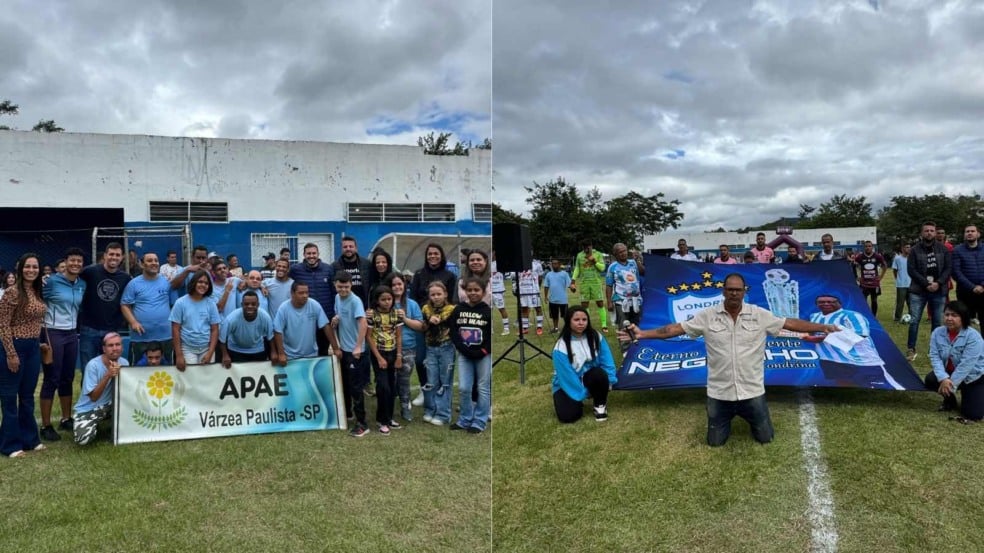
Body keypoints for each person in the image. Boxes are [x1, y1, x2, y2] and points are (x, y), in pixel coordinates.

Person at [622, 273, 839, 446]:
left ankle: (753, 419)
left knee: (766, 438)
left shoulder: (759, 314)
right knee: (715, 443)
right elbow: (673, 329)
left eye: (738, 290)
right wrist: (642, 334)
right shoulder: (707, 316)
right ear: (723, 291)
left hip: (752, 391)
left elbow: (789, 323)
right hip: (719, 392)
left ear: (744, 291)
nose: (734, 293)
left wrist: (822, 326)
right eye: (730, 289)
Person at [0, 253, 46, 457]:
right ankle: (10, 445)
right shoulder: (11, 292)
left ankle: (30, 439)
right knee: (10, 397)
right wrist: (10, 353)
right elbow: (2, 325)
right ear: (20, 269)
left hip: (33, 348)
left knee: (27, 396)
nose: (31, 270)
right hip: (15, 346)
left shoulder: (37, 291)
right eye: (28, 267)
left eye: (35, 267)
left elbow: (36, 321)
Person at [805, 293, 902, 389]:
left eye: (830, 302)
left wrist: (817, 338)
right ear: (816, 304)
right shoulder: (814, 316)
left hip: (860, 360)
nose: (826, 304)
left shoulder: (852, 315)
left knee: (883, 385)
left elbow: (859, 335)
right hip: (831, 359)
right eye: (821, 302)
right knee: (843, 382)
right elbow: (809, 332)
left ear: (839, 303)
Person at [39, 247, 85, 441]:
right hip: (53, 332)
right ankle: (46, 425)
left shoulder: (82, 283)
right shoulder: (51, 282)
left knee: (67, 377)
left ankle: (66, 418)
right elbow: (38, 301)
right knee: (52, 377)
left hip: (72, 333)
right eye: (72, 260)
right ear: (66, 262)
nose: (76, 264)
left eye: (79, 261)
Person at [409, 243, 458, 406]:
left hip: (443, 324)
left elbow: (452, 301)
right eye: (429, 254)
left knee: (441, 362)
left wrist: (440, 317)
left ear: (441, 255)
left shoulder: (449, 275)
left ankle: (442, 394)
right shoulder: (419, 274)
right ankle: (425, 390)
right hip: (423, 322)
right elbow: (414, 298)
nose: (432, 256)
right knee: (421, 359)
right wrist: (425, 317)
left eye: (436, 253)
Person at [552, 306, 617, 423]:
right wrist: (582, 394)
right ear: (568, 321)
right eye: (576, 320)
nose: (581, 323)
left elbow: (607, 360)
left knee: (599, 374)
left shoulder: (596, 336)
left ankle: (600, 405)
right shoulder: (560, 346)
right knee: (569, 417)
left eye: (584, 319)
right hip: (567, 382)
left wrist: (609, 381)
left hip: (591, 376)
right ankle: (580, 399)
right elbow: (566, 377)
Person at [924, 301, 984, 422]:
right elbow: (934, 356)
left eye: (954, 315)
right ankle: (950, 401)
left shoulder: (973, 337)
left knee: (973, 415)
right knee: (931, 379)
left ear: (963, 318)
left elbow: (966, 365)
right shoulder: (937, 333)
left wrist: (950, 384)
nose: (949, 318)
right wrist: (943, 378)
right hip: (949, 374)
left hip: (972, 377)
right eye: (947, 314)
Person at [330, 271, 371, 437]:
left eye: (346, 287)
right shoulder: (337, 298)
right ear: (335, 285)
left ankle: (363, 424)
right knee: (346, 384)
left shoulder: (355, 301)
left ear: (351, 285)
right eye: (340, 287)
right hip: (344, 349)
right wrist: (336, 318)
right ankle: (348, 414)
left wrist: (358, 346)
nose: (343, 290)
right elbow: (340, 314)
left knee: (356, 388)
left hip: (356, 351)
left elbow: (363, 323)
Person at [78, 242, 132, 367]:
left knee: (110, 368)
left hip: (111, 330)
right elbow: (71, 278)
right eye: (111, 254)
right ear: (105, 256)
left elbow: (128, 302)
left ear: (122, 257)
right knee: (88, 367)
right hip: (89, 328)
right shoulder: (90, 272)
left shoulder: (125, 278)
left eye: (117, 255)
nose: (114, 257)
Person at [450, 277, 492, 433]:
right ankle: (465, 418)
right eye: (469, 290)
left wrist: (483, 351)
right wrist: (462, 348)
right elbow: (454, 331)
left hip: (483, 355)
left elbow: (489, 336)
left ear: (483, 291)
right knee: (464, 388)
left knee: (483, 387)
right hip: (465, 354)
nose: (473, 293)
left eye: (476, 290)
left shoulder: (487, 311)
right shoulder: (459, 309)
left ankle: (480, 420)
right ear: (465, 292)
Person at [907, 221, 952, 361]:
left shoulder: (943, 249)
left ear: (935, 232)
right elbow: (911, 270)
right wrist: (926, 283)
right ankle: (911, 349)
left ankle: (933, 350)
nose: (929, 233)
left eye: (932, 230)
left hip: (938, 291)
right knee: (914, 321)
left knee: (937, 322)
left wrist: (938, 283)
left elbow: (948, 269)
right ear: (922, 233)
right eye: (926, 230)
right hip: (918, 290)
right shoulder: (914, 250)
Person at [72, 332, 128, 446]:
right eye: (110, 345)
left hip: (111, 405)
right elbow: (93, 397)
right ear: (104, 349)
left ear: (122, 347)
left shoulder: (124, 363)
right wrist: (108, 375)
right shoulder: (93, 365)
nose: (115, 348)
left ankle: (112, 427)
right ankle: (93, 426)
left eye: (117, 344)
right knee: (83, 440)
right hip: (89, 408)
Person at [121, 252, 174, 366]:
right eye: (150, 261)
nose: (154, 263)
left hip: (165, 336)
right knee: (137, 372)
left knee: (168, 372)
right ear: (141, 264)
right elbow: (125, 305)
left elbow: (174, 305)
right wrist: (133, 322)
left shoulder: (167, 282)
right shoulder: (133, 284)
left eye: (156, 260)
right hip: (141, 338)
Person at [385, 272, 424, 422]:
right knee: (389, 380)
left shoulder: (412, 304)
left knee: (404, 379)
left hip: (408, 347)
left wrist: (405, 319)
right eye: (393, 284)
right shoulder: (384, 301)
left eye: (399, 284)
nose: (396, 287)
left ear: (404, 285)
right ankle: (388, 409)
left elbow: (420, 326)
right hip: (388, 347)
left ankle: (405, 406)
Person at [366, 284, 402, 434]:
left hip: (393, 353)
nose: (387, 302)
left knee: (392, 387)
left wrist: (399, 356)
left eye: (389, 299)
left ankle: (389, 417)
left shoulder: (396, 314)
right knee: (383, 387)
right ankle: (382, 420)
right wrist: (379, 358)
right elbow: (369, 337)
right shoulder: (372, 315)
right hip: (379, 353)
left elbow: (399, 336)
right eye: (383, 299)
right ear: (377, 300)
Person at [288, 242, 336, 356]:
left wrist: (334, 313)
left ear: (318, 254)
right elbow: (283, 280)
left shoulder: (328, 269)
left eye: (314, 253)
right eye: (308, 253)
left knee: (323, 350)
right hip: (305, 317)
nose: (311, 256)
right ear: (304, 255)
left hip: (326, 316)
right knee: (305, 349)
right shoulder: (295, 270)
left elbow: (334, 292)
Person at [170, 269, 221, 371]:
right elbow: (175, 329)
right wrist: (179, 355)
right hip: (187, 349)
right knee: (190, 379)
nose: (203, 285)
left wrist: (210, 352)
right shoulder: (180, 303)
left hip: (206, 348)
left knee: (206, 379)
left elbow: (215, 329)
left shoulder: (211, 304)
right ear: (194, 283)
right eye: (200, 282)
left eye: (206, 283)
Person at [420, 281, 456, 426]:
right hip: (430, 348)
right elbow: (422, 327)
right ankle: (430, 409)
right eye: (433, 294)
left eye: (439, 294)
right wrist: (428, 321)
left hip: (446, 347)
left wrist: (440, 320)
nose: (436, 297)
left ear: (445, 294)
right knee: (431, 380)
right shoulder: (426, 309)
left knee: (445, 381)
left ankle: (443, 413)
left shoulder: (452, 309)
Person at [272, 281, 334, 363]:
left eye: (307, 292)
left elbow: (325, 325)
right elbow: (277, 331)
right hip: (290, 356)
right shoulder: (283, 308)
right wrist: (281, 353)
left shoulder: (314, 304)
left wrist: (335, 348)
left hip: (312, 355)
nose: (305, 295)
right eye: (301, 293)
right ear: (292, 293)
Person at [219, 291, 275, 367]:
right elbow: (222, 339)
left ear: (258, 305)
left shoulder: (265, 317)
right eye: (246, 304)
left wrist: (273, 352)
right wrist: (225, 355)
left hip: (258, 349)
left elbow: (270, 337)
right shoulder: (231, 318)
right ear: (242, 305)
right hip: (235, 349)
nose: (250, 306)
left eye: (253, 304)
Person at [606, 243, 645, 352]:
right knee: (624, 325)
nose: (623, 253)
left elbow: (643, 271)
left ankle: (638, 347)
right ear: (615, 254)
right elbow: (609, 285)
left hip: (636, 300)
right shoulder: (612, 267)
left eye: (625, 251)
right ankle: (625, 350)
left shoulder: (633, 263)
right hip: (621, 300)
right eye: (620, 252)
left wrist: (637, 260)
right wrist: (609, 301)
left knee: (637, 324)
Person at [572, 238, 609, 331]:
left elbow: (602, 268)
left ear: (591, 246)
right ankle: (587, 324)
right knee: (584, 305)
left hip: (596, 283)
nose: (586, 249)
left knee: (600, 303)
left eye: (587, 247)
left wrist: (594, 261)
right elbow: (577, 268)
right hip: (584, 283)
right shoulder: (579, 255)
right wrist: (573, 280)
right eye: (584, 247)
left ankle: (604, 324)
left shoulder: (598, 254)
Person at [952, 224, 984, 326]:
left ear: (978, 234)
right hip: (965, 292)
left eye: (972, 231)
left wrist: (982, 286)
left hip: (983, 292)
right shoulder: (957, 250)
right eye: (967, 231)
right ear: (964, 235)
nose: (970, 233)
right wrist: (972, 287)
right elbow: (956, 272)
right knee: (964, 322)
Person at [332, 236, 373, 306]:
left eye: (351, 246)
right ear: (342, 249)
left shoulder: (366, 264)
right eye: (345, 247)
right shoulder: (334, 266)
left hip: (364, 306)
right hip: (344, 305)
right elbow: (333, 288)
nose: (348, 249)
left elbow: (371, 285)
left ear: (356, 248)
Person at [854, 241, 887, 317]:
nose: (868, 248)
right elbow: (853, 265)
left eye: (869, 246)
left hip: (874, 283)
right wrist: (857, 276)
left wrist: (881, 276)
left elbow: (884, 265)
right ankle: (864, 315)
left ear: (872, 247)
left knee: (874, 300)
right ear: (864, 247)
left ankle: (873, 316)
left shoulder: (877, 256)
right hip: (864, 283)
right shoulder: (860, 257)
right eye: (866, 246)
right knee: (863, 301)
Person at [543, 257, 572, 333]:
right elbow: (546, 286)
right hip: (552, 299)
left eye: (555, 263)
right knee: (554, 315)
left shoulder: (564, 274)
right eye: (552, 264)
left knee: (565, 315)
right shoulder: (548, 274)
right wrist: (545, 297)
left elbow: (570, 285)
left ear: (559, 264)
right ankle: (555, 328)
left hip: (563, 299)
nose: (553, 265)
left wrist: (573, 288)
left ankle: (567, 328)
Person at [516, 264, 545, 336]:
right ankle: (525, 328)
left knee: (538, 308)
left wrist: (537, 286)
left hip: (534, 291)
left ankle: (539, 327)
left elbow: (540, 277)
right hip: (523, 291)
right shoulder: (519, 263)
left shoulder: (537, 264)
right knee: (524, 309)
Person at [490, 251, 511, 335]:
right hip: (489, 291)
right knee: (489, 310)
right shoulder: (486, 264)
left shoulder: (500, 264)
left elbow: (507, 272)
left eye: (493, 253)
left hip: (498, 290)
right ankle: (490, 329)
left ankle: (506, 329)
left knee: (501, 309)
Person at [892, 243, 912, 323]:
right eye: (907, 247)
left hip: (911, 284)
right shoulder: (897, 258)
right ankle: (897, 318)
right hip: (901, 284)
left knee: (911, 302)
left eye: (909, 247)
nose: (908, 249)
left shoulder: (912, 258)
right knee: (900, 303)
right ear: (902, 248)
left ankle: (911, 317)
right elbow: (894, 270)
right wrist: (898, 279)